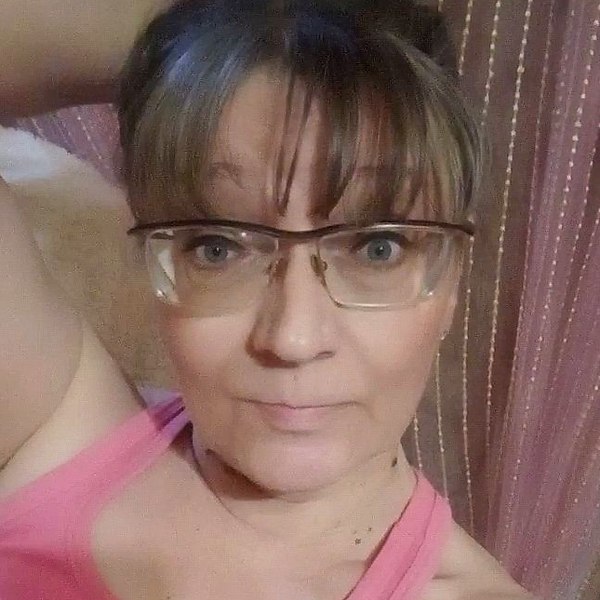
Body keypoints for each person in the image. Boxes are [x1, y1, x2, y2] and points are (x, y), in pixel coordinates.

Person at [0, 0, 536, 598]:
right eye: (218, 248)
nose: (293, 339)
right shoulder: (57, 422)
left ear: (452, 280)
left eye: (376, 248)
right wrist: (214, 32)